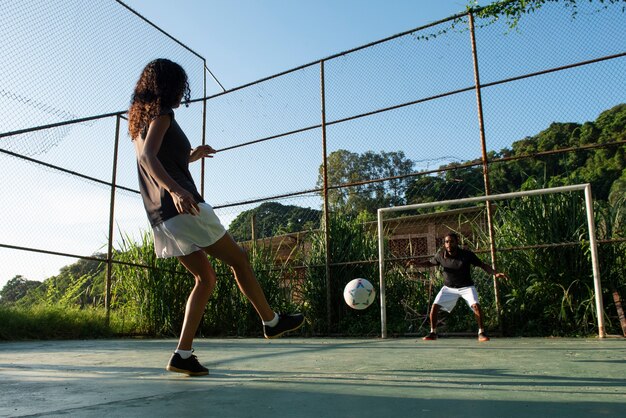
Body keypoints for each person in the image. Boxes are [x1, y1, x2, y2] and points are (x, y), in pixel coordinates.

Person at [128, 58, 305, 376]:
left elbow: (157, 158)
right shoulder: (163, 114)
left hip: (161, 218)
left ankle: (182, 354)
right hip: (183, 208)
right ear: (167, 86)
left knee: (205, 278)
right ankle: (271, 321)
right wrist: (176, 191)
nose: (184, 92)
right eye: (180, 86)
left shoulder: (141, 124)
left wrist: (191, 156)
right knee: (239, 258)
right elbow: (149, 158)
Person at [411, 232, 507, 342]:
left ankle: (481, 333)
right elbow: (429, 263)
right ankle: (433, 333)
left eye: (451, 241)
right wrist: (417, 263)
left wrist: (495, 273)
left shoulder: (466, 255)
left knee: (476, 305)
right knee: (434, 307)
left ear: (457, 242)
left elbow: (483, 265)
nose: (449, 244)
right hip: (448, 288)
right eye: (447, 242)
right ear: (444, 244)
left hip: (467, 287)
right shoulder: (440, 255)